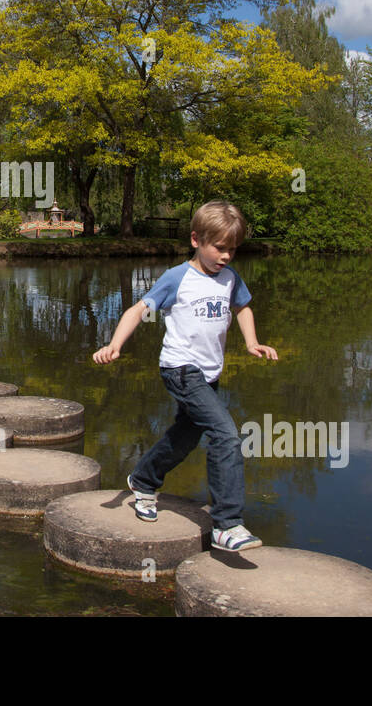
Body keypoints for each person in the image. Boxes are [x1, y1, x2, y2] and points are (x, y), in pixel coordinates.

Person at [92, 200, 278, 553]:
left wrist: (252, 342)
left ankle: (143, 480)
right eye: (219, 248)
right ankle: (227, 524)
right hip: (179, 369)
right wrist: (115, 344)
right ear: (196, 239)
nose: (226, 256)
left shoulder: (230, 279)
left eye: (233, 249)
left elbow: (243, 307)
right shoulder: (178, 277)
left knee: (187, 436)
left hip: (209, 374)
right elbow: (138, 309)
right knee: (226, 435)